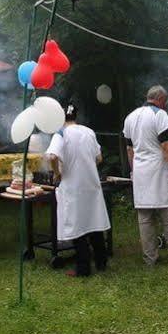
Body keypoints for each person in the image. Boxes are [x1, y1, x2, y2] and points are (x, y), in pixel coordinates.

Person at [122, 85, 168, 265]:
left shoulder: (130, 117)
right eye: (165, 102)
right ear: (161, 100)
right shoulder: (159, 115)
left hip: (141, 172)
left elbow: (129, 149)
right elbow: (167, 146)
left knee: (145, 218)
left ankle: (150, 258)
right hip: (159, 170)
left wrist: (134, 170)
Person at [46, 105, 111, 277]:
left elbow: (52, 156)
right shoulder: (89, 132)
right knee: (93, 221)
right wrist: (87, 167)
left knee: (78, 225)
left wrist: (57, 173)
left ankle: (83, 268)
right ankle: (101, 262)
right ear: (76, 116)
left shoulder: (60, 133)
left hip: (73, 186)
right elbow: (99, 158)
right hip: (91, 183)